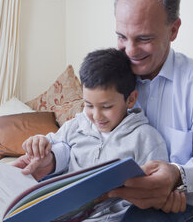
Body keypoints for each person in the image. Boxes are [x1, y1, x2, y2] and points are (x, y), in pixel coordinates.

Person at [14, 0, 193, 221]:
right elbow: (79, 135)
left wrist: (176, 177)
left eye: (144, 38)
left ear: (173, 30)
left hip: (174, 204)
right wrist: (51, 158)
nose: (130, 51)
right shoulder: (112, 76)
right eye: (121, 36)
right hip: (105, 204)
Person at [15, 48, 169, 221]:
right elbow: (53, 148)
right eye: (88, 105)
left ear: (131, 99)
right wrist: (40, 144)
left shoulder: (145, 138)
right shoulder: (74, 125)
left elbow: (157, 191)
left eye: (106, 107)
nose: (96, 116)